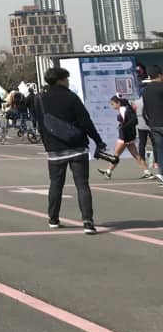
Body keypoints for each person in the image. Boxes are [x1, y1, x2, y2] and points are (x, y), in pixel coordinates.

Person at [35, 67, 107, 234]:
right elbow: (85, 121)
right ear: (60, 79)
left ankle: (53, 219)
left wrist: (48, 144)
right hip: (77, 146)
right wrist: (98, 141)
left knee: (55, 184)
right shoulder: (71, 97)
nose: (68, 82)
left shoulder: (40, 99)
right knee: (82, 185)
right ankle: (87, 222)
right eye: (66, 79)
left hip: (54, 149)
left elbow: (40, 124)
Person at [97, 96, 152, 180]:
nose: (112, 106)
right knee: (133, 155)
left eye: (113, 104)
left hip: (124, 137)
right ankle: (147, 172)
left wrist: (123, 128)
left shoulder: (123, 109)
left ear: (118, 103)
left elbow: (129, 122)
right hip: (127, 136)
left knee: (116, 155)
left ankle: (108, 172)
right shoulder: (125, 108)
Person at [141, 66, 163, 185]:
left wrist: (149, 122)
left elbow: (145, 111)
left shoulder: (146, 90)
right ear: (160, 75)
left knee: (160, 149)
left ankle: (161, 172)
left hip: (154, 125)